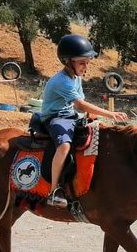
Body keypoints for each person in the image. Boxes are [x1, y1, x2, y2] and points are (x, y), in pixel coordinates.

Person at [42, 34, 128, 207]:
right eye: (82, 63)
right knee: (64, 146)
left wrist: (91, 116)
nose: (85, 67)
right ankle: (53, 190)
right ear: (67, 61)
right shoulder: (61, 81)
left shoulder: (76, 78)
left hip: (71, 115)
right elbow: (80, 104)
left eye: (87, 62)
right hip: (56, 117)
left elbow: (80, 106)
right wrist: (110, 114)